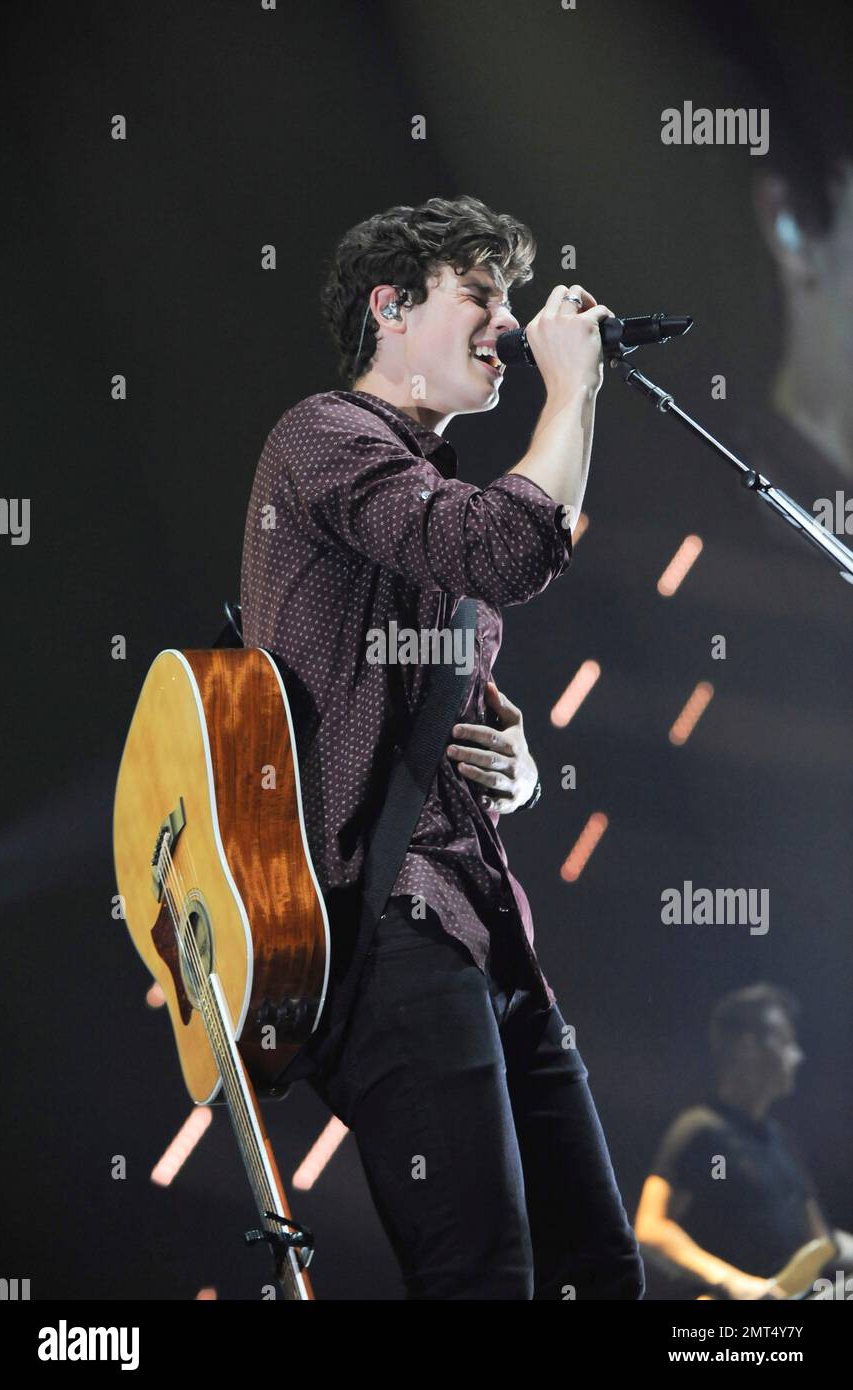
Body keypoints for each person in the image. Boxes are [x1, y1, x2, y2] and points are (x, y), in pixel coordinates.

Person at [240, 194, 644, 1299]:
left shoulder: (425, 492)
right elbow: (507, 549)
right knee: (484, 1278)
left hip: (483, 927)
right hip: (393, 925)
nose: (506, 324)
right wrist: (569, 389)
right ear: (391, 308)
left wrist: (511, 771)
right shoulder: (323, 439)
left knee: (598, 1273)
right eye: (480, 295)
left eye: (510, 301)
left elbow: (493, 582)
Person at [635, 983, 853, 1299]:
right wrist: (732, 1282)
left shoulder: (780, 1140)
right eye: (787, 1042)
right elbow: (651, 1227)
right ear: (748, 1045)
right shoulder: (700, 1127)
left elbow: (821, 1242)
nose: (798, 1055)